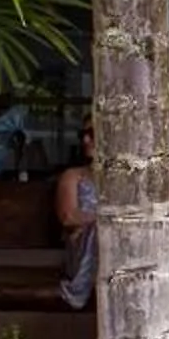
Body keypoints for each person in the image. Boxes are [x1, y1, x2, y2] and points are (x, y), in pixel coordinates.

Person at [56, 122, 98, 309]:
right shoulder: (73, 176)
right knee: (99, 231)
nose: (85, 140)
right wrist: (104, 218)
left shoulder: (124, 180)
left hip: (116, 247)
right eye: (82, 134)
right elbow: (68, 216)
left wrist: (89, 218)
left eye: (92, 133)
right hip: (81, 252)